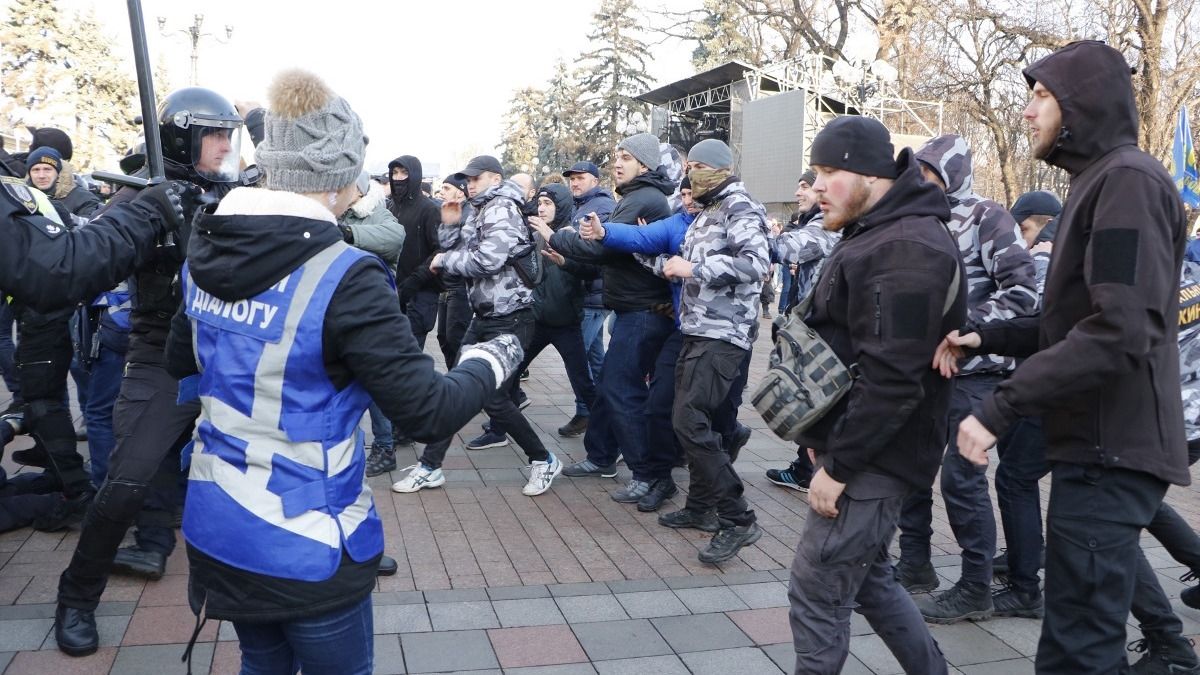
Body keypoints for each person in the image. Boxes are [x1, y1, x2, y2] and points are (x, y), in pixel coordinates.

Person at [163, 69, 516, 674]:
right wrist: (491, 359)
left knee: (261, 666)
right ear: (334, 174)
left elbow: (181, 366)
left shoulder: (205, 250)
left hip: (220, 521)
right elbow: (425, 408)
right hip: (308, 537)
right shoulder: (343, 273)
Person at [940, 41, 1189, 672]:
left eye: (1041, 96)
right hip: (1094, 445)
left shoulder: (1126, 181)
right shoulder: (1099, 181)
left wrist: (999, 409)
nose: (1026, 111)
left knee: (1078, 648)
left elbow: (1120, 328)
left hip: (1111, 447)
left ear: (1083, 104)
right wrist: (986, 337)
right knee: (1074, 639)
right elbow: (1071, 322)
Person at [53, 86, 247, 657]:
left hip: (228, 356)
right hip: (161, 355)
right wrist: (153, 215)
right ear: (184, 136)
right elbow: (90, 258)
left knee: (274, 456)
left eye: (230, 133)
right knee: (127, 479)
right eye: (214, 132)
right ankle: (76, 596)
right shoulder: (144, 201)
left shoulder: (241, 195)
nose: (225, 144)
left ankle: (334, 549)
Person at [787, 116, 963, 674]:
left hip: (875, 456)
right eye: (815, 172)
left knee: (818, 590)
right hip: (863, 447)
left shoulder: (907, 246)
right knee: (870, 578)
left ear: (870, 174)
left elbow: (892, 380)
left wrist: (840, 464)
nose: (816, 187)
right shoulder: (880, 230)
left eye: (829, 172)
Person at [586, 139, 770, 560]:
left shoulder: (739, 207)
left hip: (724, 333)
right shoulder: (706, 211)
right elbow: (671, 256)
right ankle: (700, 507)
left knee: (689, 421)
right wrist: (640, 253)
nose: (692, 174)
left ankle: (738, 518)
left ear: (723, 168)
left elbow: (755, 264)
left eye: (701, 166)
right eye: (690, 167)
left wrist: (695, 268)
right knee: (684, 416)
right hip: (695, 328)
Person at [898, 134, 1038, 624]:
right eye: (917, 172)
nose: (921, 181)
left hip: (975, 373)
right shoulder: (913, 218)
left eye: (930, 173)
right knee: (912, 468)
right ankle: (914, 564)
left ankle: (976, 585)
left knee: (961, 478)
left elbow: (1023, 292)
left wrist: (966, 331)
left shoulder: (986, 216)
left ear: (952, 174)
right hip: (922, 372)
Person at [392, 155, 563, 497]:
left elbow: (486, 260)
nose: (469, 184)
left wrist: (443, 260)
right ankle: (430, 466)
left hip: (511, 318)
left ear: (495, 179)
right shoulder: (482, 208)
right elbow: (453, 248)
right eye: (466, 179)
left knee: (491, 398)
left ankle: (543, 459)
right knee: (458, 390)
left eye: (476, 178)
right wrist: (451, 218)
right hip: (487, 317)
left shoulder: (501, 208)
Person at [552, 133, 676, 506]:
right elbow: (604, 251)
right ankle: (601, 456)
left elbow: (602, 248)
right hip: (631, 308)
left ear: (645, 164)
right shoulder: (634, 198)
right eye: (616, 155)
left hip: (643, 311)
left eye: (626, 156)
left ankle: (647, 473)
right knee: (610, 384)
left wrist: (556, 236)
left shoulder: (646, 200)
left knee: (623, 389)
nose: (617, 162)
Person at [764, 169, 840, 492]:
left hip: (826, 331)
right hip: (815, 326)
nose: (800, 193)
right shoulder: (812, 222)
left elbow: (785, 249)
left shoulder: (825, 225)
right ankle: (805, 465)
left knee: (816, 399)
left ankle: (813, 469)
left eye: (806, 187)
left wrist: (746, 231)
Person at [562, 161, 616, 438]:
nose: (575, 183)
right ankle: (601, 410)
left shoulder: (601, 206)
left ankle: (588, 411)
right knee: (594, 357)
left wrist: (564, 237)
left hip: (594, 293)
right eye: (572, 179)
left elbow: (590, 247)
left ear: (595, 180)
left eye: (581, 178)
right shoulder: (579, 205)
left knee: (577, 356)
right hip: (586, 292)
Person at [24, 145, 100, 218]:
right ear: (29, 174)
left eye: (47, 169)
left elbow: (91, 228)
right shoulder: (22, 197)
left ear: (58, 172)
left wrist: (66, 218)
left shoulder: (85, 199)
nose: (41, 176)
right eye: (36, 170)